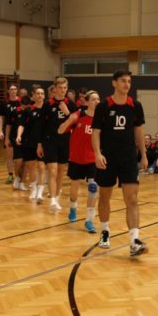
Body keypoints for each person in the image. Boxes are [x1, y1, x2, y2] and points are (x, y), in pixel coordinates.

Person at [92, 69, 148, 257]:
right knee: (104, 197)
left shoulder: (135, 106)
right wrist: (97, 154)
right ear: (114, 83)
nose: (126, 84)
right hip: (107, 158)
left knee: (132, 199)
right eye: (123, 81)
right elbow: (96, 132)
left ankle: (134, 241)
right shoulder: (103, 106)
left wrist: (143, 155)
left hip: (128, 158)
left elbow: (139, 131)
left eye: (129, 81)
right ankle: (105, 231)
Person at [58, 89, 100, 232]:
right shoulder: (78, 116)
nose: (96, 102)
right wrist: (69, 120)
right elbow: (60, 130)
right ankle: (73, 209)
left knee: (93, 188)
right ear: (86, 102)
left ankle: (89, 220)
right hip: (76, 158)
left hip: (92, 159)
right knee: (74, 188)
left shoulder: (101, 119)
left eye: (98, 99)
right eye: (93, 99)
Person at [41, 76, 77, 212]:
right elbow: (41, 125)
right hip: (50, 141)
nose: (62, 90)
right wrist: (39, 144)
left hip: (65, 141)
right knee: (52, 170)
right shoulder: (48, 104)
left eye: (65, 88)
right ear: (55, 89)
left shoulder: (71, 104)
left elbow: (76, 124)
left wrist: (67, 112)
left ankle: (56, 196)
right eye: (60, 88)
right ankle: (52, 200)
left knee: (61, 171)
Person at [16, 85, 47, 202]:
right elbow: (21, 125)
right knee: (31, 166)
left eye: (42, 93)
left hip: (43, 143)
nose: (40, 95)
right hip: (29, 142)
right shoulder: (28, 110)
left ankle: (40, 191)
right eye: (38, 93)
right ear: (33, 96)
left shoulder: (47, 110)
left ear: (44, 96)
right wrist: (19, 135)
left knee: (41, 167)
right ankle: (33, 188)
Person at [0, 83, 21, 184]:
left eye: (15, 89)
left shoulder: (21, 101)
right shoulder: (4, 103)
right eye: (11, 89)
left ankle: (19, 176)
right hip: (9, 131)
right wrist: (0, 130)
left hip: (20, 131)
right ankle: (10, 175)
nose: (13, 91)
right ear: (8, 91)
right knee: (9, 155)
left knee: (20, 157)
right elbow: (1, 117)